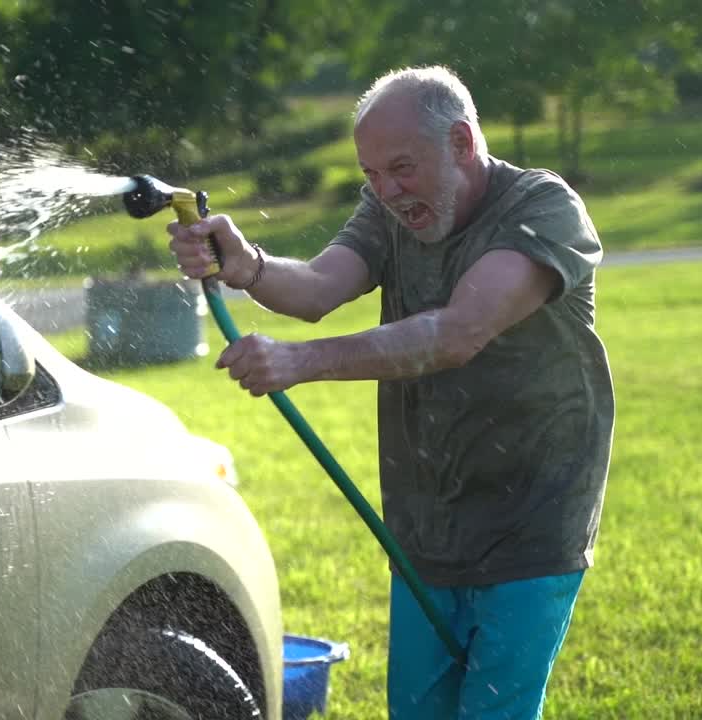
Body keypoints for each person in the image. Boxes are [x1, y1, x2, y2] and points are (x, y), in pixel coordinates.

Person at [167, 65, 614, 719]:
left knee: (494, 712)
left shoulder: (542, 210)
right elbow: (320, 287)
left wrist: (298, 362)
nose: (388, 190)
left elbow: (461, 331)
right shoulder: (389, 207)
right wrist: (249, 265)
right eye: (371, 175)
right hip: (425, 523)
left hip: (532, 520)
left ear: (461, 142)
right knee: (416, 711)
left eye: (401, 168)